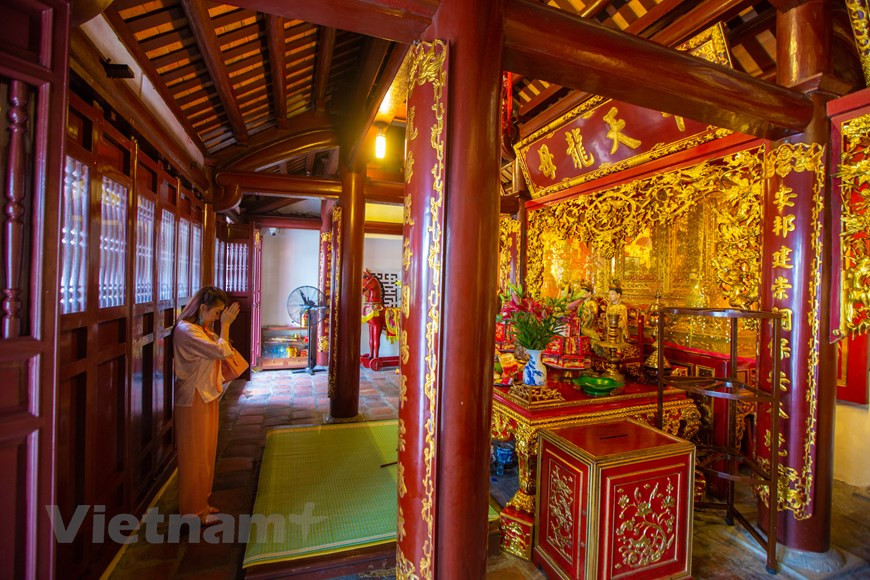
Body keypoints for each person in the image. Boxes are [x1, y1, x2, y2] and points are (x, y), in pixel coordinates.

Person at [173, 286, 240, 525]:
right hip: (193, 398)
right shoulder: (187, 331)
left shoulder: (200, 329)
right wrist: (226, 325)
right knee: (194, 457)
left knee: (206, 453)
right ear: (202, 308)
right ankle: (192, 513)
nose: (218, 318)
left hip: (206, 395)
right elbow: (222, 350)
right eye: (217, 313)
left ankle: (201, 503)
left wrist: (217, 326)